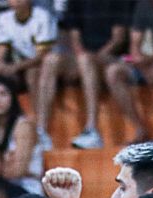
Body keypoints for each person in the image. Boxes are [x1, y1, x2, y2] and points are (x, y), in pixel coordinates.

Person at [105, 0, 153, 143]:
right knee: (113, 72)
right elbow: (135, 48)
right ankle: (140, 128)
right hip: (150, 61)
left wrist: (151, 58)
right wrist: (144, 64)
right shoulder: (143, 6)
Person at [0, 0, 60, 149]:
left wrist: (14, 67)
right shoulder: (4, 18)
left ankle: (41, 129)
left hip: (47, 63)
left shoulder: (42, 16)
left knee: (34, 72)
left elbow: (42, 55)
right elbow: (0, 52)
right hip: (21, 65)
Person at [58, 0, 130, 150]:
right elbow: (75, 38)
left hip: (112, 57)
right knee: (51, 61)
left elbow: (118, 39)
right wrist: (83, 57)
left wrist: (93, 59)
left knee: (86, 61)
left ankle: (92, 128)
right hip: (83, 58)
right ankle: (41, 132)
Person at [0, 77, 44, 194]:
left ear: (13, 98)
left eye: (3, 94)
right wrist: (4, 163)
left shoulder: (23, 126)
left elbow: (19, 170)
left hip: (25, 187)